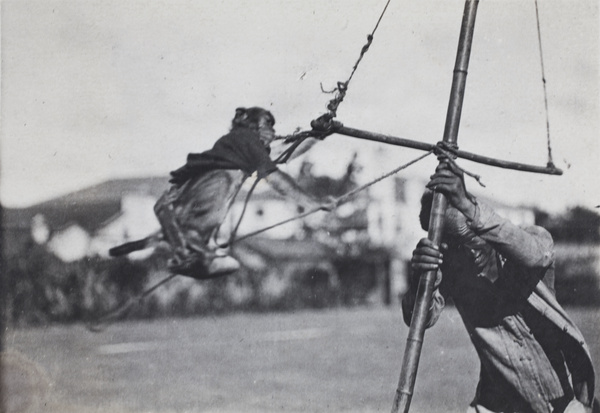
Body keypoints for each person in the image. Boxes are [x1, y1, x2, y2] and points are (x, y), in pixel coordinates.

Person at [403, 160, 597, 413]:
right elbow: (419, 319)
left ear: (477, 222)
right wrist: (421, 277)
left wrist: (466, 205)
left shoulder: (532, 239)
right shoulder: (452, 268)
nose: (465, 253)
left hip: (566, 401)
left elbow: (535, 255)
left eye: (466, 237)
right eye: (448, 243)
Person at [110, 106, 330, 279]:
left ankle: (188, 250)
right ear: (252, 126)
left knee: (219, 255)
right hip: (202, 202)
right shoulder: (246, 139)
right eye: (267, 125)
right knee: (220, 252)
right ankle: (190, 251)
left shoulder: (239, 145)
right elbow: (274, 176)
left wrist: (316, 136)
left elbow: (282, 155)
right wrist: (310, 203)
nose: (272, 132)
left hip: (187, 209)